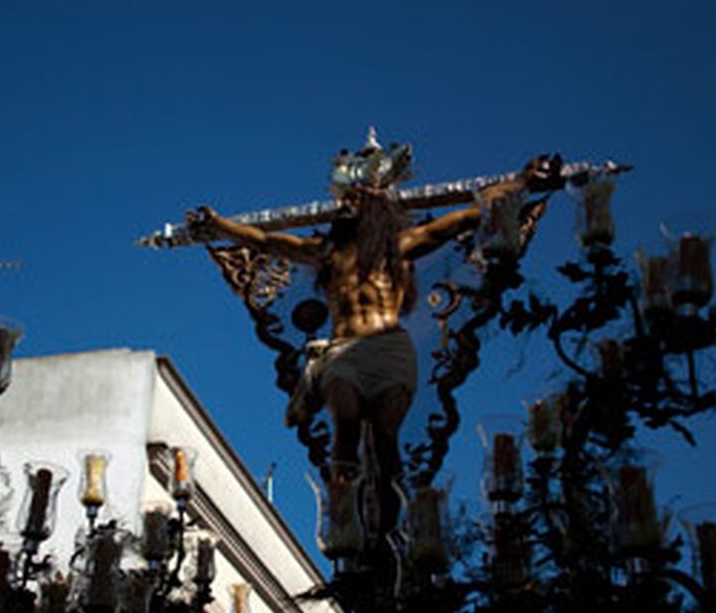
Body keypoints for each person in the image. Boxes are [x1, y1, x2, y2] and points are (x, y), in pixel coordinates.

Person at [189, 141, 561, 537]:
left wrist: (522, 180)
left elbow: (468, 215)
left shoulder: (400, 247)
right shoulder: (325, 254)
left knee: (386, 442)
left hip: (389, 349)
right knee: (345, 425)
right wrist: (219, 224)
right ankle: (346, 525)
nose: (352, 204)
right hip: (346, 350)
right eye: (348, 198)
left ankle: (389, 529)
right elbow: (265, 242)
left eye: (362, 199)